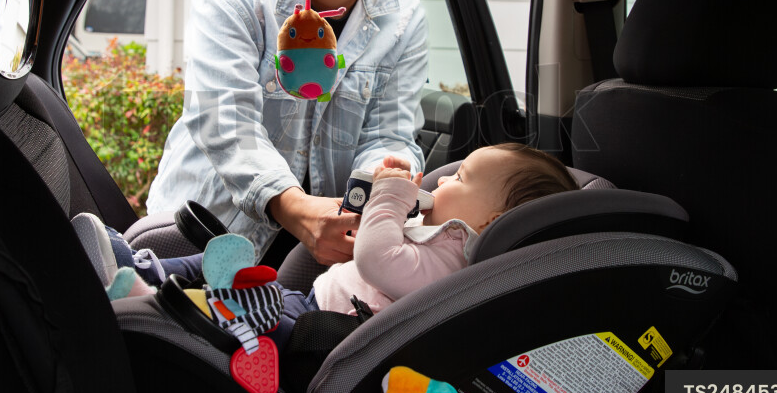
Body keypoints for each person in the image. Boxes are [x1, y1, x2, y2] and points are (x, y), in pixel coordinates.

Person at [146, 0, 428, 266]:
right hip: (205, 234)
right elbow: (223, 119)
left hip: (326, 254)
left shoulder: (405, 20)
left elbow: (390, 133)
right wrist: (294, 207)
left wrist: (384, 172)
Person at [82, 143, 577, 347]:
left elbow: (379, 259)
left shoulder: (456, 259)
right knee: (233, 262)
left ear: (489, 221)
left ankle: (150, 302)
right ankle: (132, 263)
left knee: (241, 308)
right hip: (311, 298)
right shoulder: (438, 232)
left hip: (321, 330)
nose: (444, 182)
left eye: (461, 178)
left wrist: (387, 201)